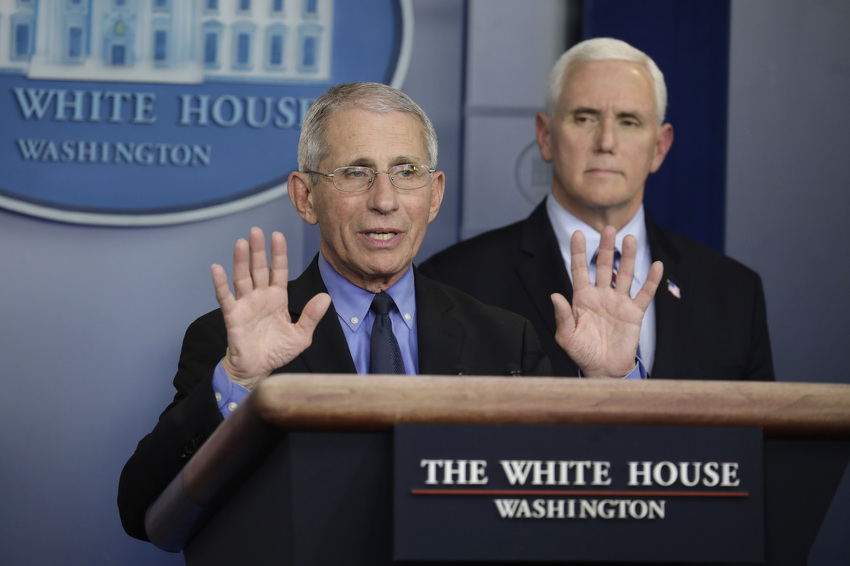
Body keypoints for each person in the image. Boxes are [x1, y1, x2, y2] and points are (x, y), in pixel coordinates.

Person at [118, 82, 662, 542]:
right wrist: (240, 382)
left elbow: (583, 513)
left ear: (434, 194)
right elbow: (144, 511)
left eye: (406, 171)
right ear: (305, 196)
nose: (385, 199)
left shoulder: (505, 341)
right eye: (355, 173)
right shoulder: (229, 341)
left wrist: (613, 384)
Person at [420, 38, 774, 381]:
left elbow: (758, 439)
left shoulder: (735, 294)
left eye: (628, 121)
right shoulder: (454, 282)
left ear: (660, 147)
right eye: (585, 118)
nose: (606, 142)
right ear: (545, 136)